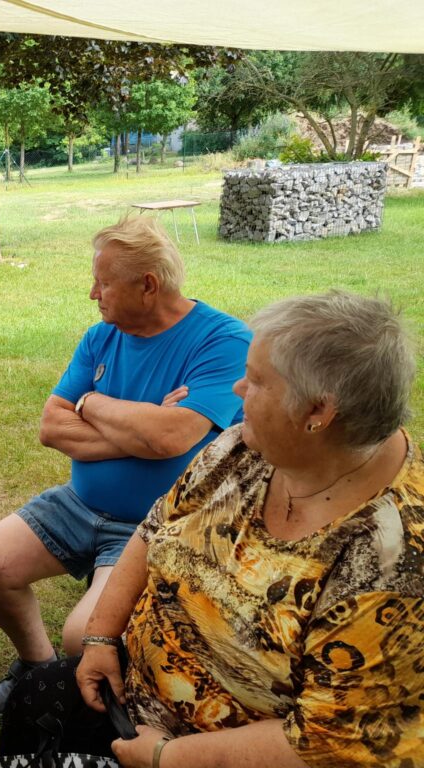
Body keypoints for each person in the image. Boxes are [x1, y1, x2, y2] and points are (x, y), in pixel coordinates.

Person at [62, 291, 423, 768]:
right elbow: (155, 528)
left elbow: (328, 742)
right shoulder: (247, 447)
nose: (236, 388)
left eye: (255, 380)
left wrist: (165, 757)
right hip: (127, 697)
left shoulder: (396, 563)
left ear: (318, 412)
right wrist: (101, 638)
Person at [0, 215, 250, 717]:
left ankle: (104, 705)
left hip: (152, 524)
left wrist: (91, 403)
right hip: (79, 503)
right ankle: (36, 665)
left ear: (148, 285)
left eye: (104, 282)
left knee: (83, 633)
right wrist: (146, 425)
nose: (93, 293)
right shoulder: (100, 337)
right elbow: (52, 427)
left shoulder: (222, 341)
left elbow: (172, 436)